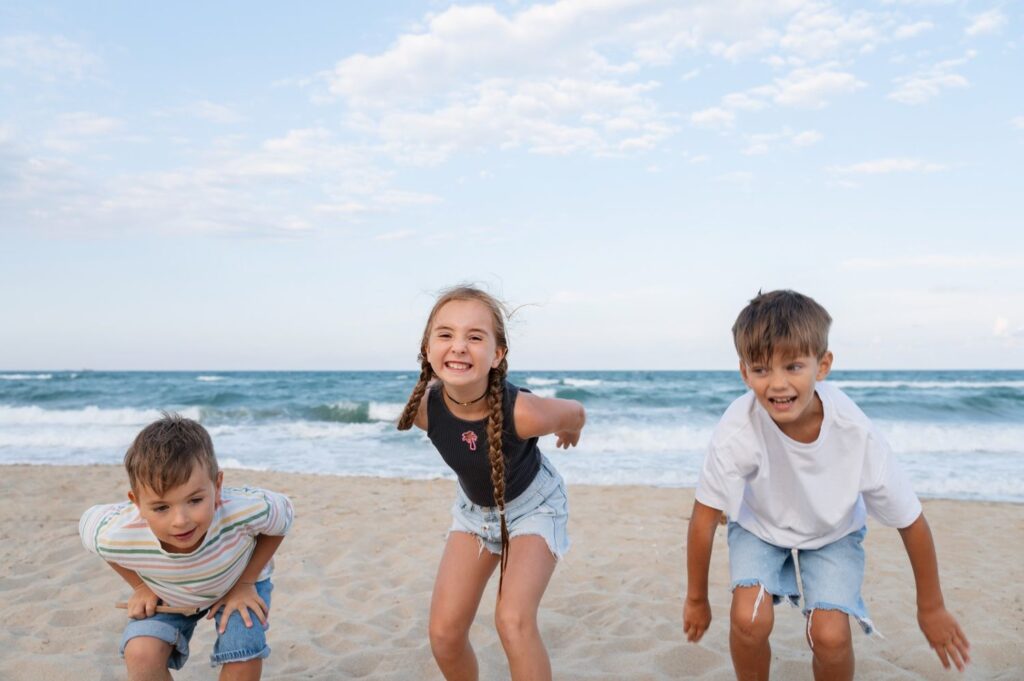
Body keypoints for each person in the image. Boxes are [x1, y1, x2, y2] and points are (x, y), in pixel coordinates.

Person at [683, 290, 969, 681]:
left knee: (830, 635)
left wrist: (931, 606)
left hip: (834, 530)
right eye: (762, 369)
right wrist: (697, 599)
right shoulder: (737, 429)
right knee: (749, 618)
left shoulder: (855, 433)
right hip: (760, 526)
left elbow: (911, 521)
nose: (778, 384)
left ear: (823, 365)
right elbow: (704, 518)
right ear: (744, 372)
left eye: (793, 366)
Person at [397, 285, 586, 681]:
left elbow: (575, 410)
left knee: (512, 621)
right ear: (427, 349)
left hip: (536, 505)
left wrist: (570, 430)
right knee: (444, 635)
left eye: (475, 336)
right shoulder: (423, 410)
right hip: (473, 514)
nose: (459, 346)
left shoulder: (526, 413)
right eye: (445, 335)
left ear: (497, 355)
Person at [80, 414, 294, 680]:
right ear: (136, 503)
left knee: (244, 652)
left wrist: (246, 582)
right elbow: (90, 529)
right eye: (161, 507)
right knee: (141, 653)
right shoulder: (117, 532)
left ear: (217, 486)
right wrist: (140, 586)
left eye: (195, 500)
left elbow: (284, 516)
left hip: (237, 582)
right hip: (170, 591)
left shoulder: (244, 509)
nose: (180, 521)